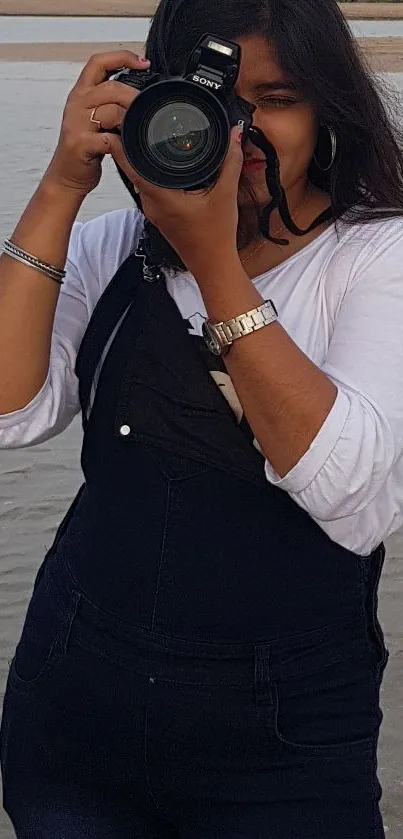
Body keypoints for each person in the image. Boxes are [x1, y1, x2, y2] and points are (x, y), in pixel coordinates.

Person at [1, 0, 402, 835]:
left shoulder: (374, 254)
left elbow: (351, 492)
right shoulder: (113, 245)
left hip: (284, 735)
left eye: (280, 99)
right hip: (77, 695)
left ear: (328, 106)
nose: (245, 134)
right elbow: (9, 416)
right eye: (220, 103)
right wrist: (61, 186)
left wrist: (212, 257)